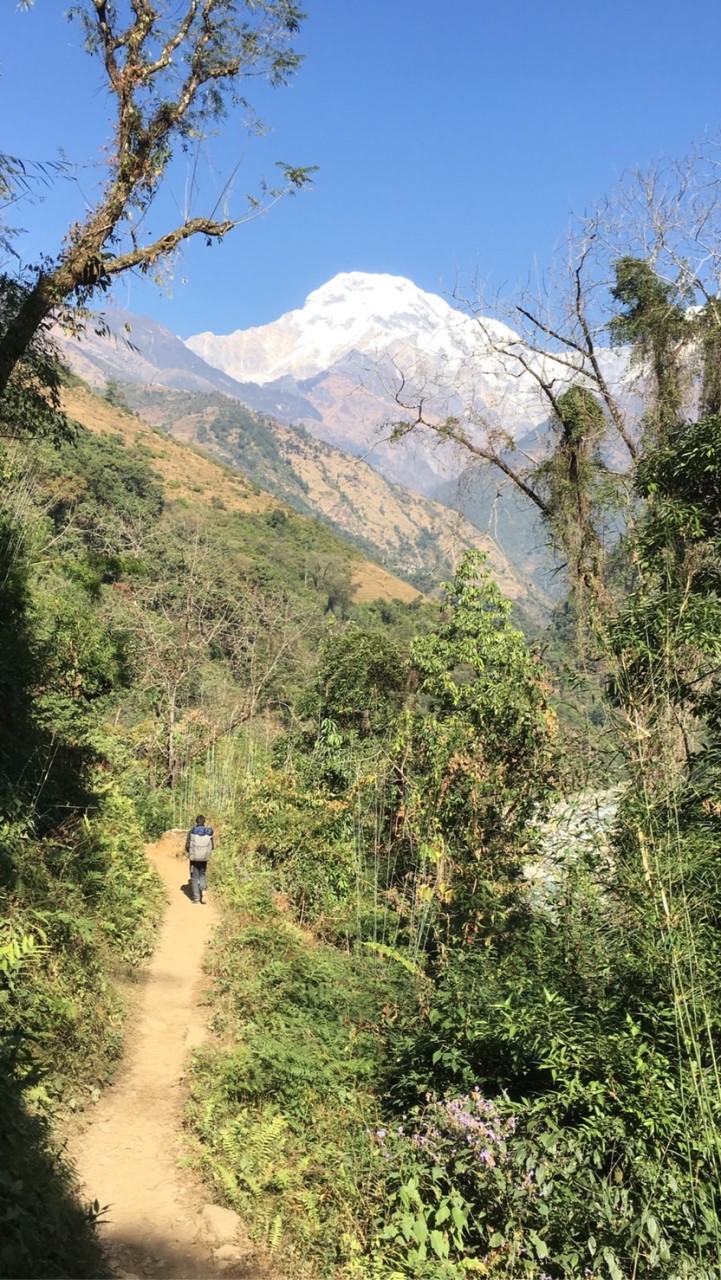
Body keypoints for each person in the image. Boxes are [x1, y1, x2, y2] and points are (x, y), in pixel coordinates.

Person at [185, 814, 214, 904]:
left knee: (194, 877)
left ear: (196, 822)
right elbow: (212, 846)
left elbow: (187, 846)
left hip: (194, 859)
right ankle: (203, 889)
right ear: (204, 822)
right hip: (204, 858)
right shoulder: (208, 833)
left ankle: (196, 898)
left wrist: (191, 852)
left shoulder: (192, 832)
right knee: (202, 874)